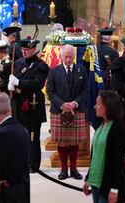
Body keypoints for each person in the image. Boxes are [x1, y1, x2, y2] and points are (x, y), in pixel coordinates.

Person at [46, 44, 89, 180]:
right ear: (61, 56)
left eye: (71, 57)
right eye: (66, 57)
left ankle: (74, 169)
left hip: (77, 110)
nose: (69, 59)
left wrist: (74, 103)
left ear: (74, 56)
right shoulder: (54, 71)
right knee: (62, 142)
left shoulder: (81, 70)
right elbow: (50, 91)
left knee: (74, 142)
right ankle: (64, 170)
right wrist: (62, 104)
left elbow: (86, 90)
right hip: (59, 111)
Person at [8, 37, 50, 173]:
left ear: (33, 49)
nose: (24, 52)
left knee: (32, 137)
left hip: (33, 106)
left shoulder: (41, 66)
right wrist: (11, 85)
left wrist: (18, 83)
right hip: (19, 106)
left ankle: (33, 163)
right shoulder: (19, 62)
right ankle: (21, 161)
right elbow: (15, 78)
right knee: (19, 136)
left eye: (26, 50)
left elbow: (37, 84)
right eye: (23, 50)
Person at [83, 90, 125, 203]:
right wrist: (88, 179)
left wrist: (114, 189)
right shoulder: (101, 125)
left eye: (98, 104)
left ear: (108, 106)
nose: (94, 107)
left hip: (109, 186)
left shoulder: (119, 129)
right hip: (95, 182)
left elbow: (118, 162)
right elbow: (95, 156)